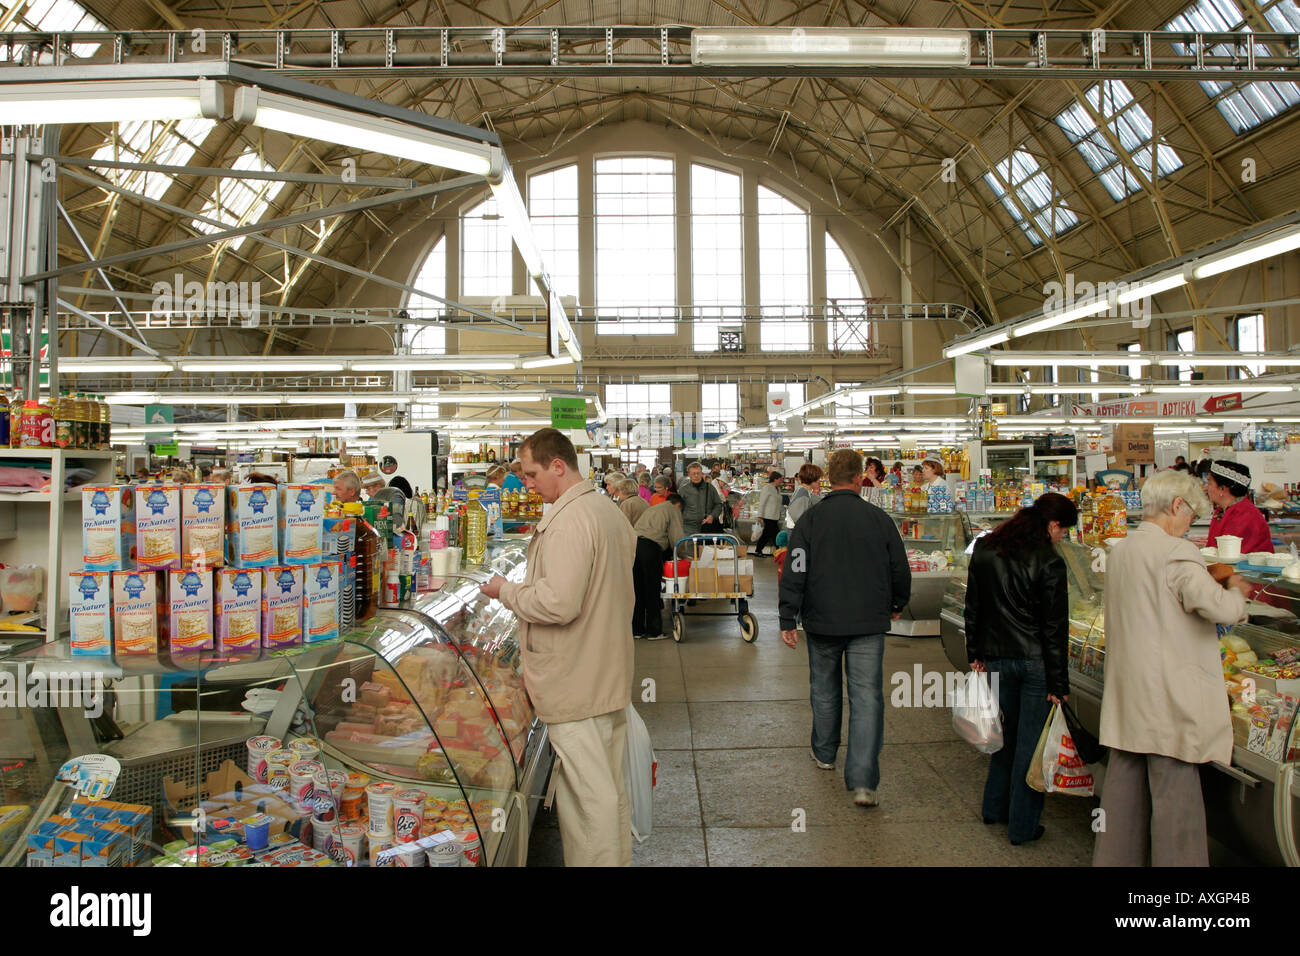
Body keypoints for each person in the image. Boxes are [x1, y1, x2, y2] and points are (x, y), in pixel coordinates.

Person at [479, 428, 635, 867]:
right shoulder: (605, 509)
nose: (526, 484)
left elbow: (559, 603)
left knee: (590, 800)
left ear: (558, 466)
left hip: (576, 680)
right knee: (603, 789)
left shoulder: (569, 521)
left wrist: (506, 591)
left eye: (531, 474)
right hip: (604, 670)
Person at [1094, 469, 1251, 866]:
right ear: (1176, 505)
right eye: (1191, 514)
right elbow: (1216, 607)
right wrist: (1236, 591)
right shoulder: (1175, 552)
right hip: (1168, 700)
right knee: (1176, 807)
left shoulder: (1124, 549)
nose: (1189, 524)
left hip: (1129, 693)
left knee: (1122, 800)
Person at [778, 449, 911, 808]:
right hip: (868, 620)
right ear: (858, 480)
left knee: (824, 688)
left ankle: (824, 753)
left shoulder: (810, 520)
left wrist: (788, 617)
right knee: (867, 697)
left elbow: (796, 568)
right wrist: (898, 603)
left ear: (828, 479)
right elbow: (899, 566)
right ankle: (864, 781)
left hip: (821, 620)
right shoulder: (879, 519)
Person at [965, 493, 1078, 846]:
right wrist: (1059, 682)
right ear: (1053, 524)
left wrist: (975, 653)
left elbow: (974, 606)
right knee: (1031, 748)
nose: (1063, 538)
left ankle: (994, 808)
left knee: (1004, 738)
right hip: (1034, 665)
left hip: (996, 658)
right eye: (1064, 531)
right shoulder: (1049, 561)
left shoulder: (985, 549)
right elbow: (1054, 627)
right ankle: (1022, 827)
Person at [632, 493, 685, 640]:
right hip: (651, 548)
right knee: (652, 590)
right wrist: (684, 555)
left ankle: (637, 630)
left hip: (634, 546)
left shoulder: (653, 508)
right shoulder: (673, 510)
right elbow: (677, 538)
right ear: (678, 505)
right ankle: (654, 631)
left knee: (638, 589)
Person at [1205, 460, 1273, 554]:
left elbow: (1229, 555)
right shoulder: (1222, 510)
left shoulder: (1244, 515)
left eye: (1210, 483)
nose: (1206, 487)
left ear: (1222, 489)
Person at [678, 461, 725, 536]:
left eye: (698, 473)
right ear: (689, 474)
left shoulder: (710, 488)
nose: (696, 475)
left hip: (707, 526)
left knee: (707, 548)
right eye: (693, 473)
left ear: (702, 474)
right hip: (689, 528)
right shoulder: (683, 490)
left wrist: (712, 515)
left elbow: (718, 504)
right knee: (690, 547)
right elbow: (678, 508)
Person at [752, 471, 784, 557]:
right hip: (768, 516)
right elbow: (762, 502)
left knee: (766, 535)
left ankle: (758, 550)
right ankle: (780, 552)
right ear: (775, 479)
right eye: (780, 479)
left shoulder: (777, 489)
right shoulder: (767, 488)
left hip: (775, 516)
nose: (781, 481)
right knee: (776, 534)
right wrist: (760, 515)